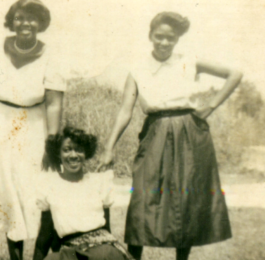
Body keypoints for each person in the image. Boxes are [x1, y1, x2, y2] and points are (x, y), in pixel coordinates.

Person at [97, 12, 243, 260]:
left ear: (177, 39)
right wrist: (109, 147)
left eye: (170, 38)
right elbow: (125, 109)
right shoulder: (137, 68)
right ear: (150, 36)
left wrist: (211, 105)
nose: (164, 42)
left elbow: (235, 73)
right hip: (155, 130)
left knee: (185, 199)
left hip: (189, 131)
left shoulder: (189, 61)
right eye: (159, 37)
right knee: (142, 198)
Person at [0, 1, 65, 259]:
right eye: (20, 18)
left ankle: (39, 256)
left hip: (33, 124)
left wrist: (52, 142)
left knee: (36, 190)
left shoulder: (52, 54)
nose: (26, 24)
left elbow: (54, 103)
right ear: (12, 21)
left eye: (32, 19)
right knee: (6, 188)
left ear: (41, 23)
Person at [35, 127, 132, 260]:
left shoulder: (99, 181)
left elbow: (106, 228)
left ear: (86, 153)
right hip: (71, 251)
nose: (73, 155)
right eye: (67, 149)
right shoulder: (49, 184)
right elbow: (44, 236)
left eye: (79, 149)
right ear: (58, 153)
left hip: (101, 249)